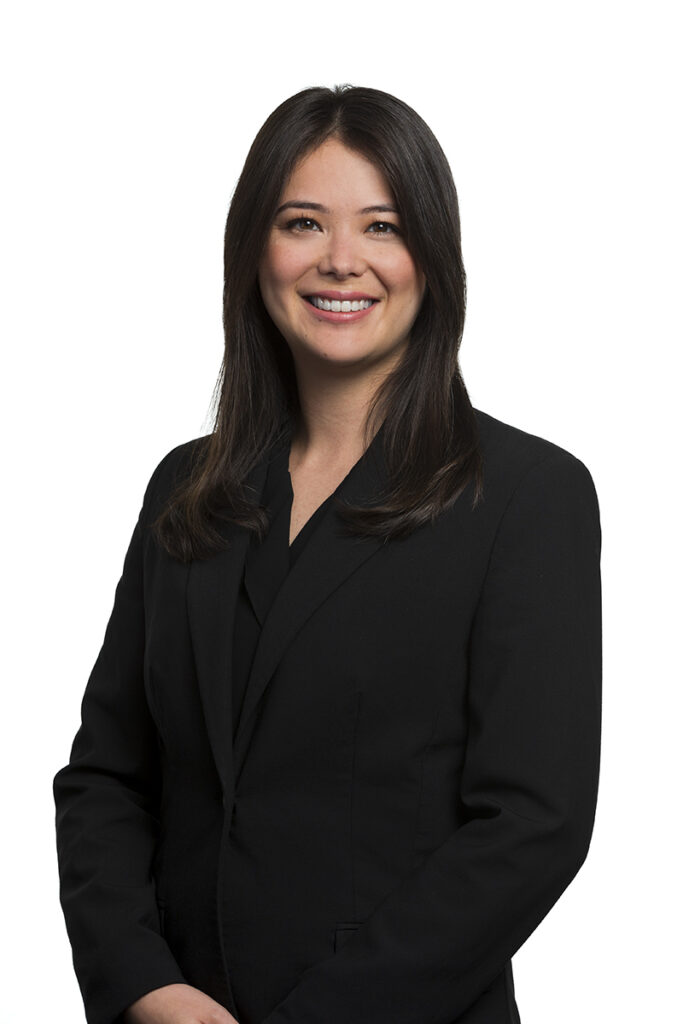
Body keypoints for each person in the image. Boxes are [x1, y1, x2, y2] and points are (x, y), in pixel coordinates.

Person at [53, 85, 602, 1024]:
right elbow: (107, 777)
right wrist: (144, 984)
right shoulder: (185, 490)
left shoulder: (525, 496)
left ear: (431, 256)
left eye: (381, 226)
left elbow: (531, 828)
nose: (340, 260)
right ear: (254, 251)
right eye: (302, 222)